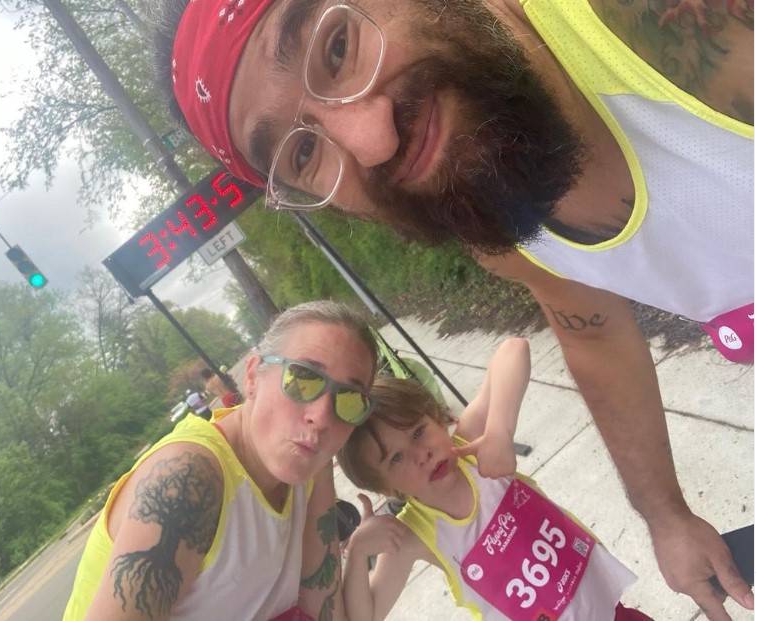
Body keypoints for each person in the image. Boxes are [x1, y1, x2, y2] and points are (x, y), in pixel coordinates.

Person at [148, 1, 753, 617]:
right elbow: (594, 333)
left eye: (337, 47)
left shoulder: (657, 24)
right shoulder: (509, 232)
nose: (372, 140)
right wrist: (667, 516)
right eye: (304, 155)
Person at [63, 300, 379, 621]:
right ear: (253, 377)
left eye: (349, 399)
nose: (322, 417)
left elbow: (322, 605)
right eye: (303, 379)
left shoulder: (310, 462)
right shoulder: (188, 479)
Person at [337, 344, 654, 620]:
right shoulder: (411, 535)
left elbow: (513, 350)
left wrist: (500, 431)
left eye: (419, 432)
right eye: (396, 458)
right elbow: (366, 614)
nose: (421, 454)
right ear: (385, 488)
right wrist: (358, 552)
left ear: (438, 418)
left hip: (609, 610)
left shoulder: (470, 449)